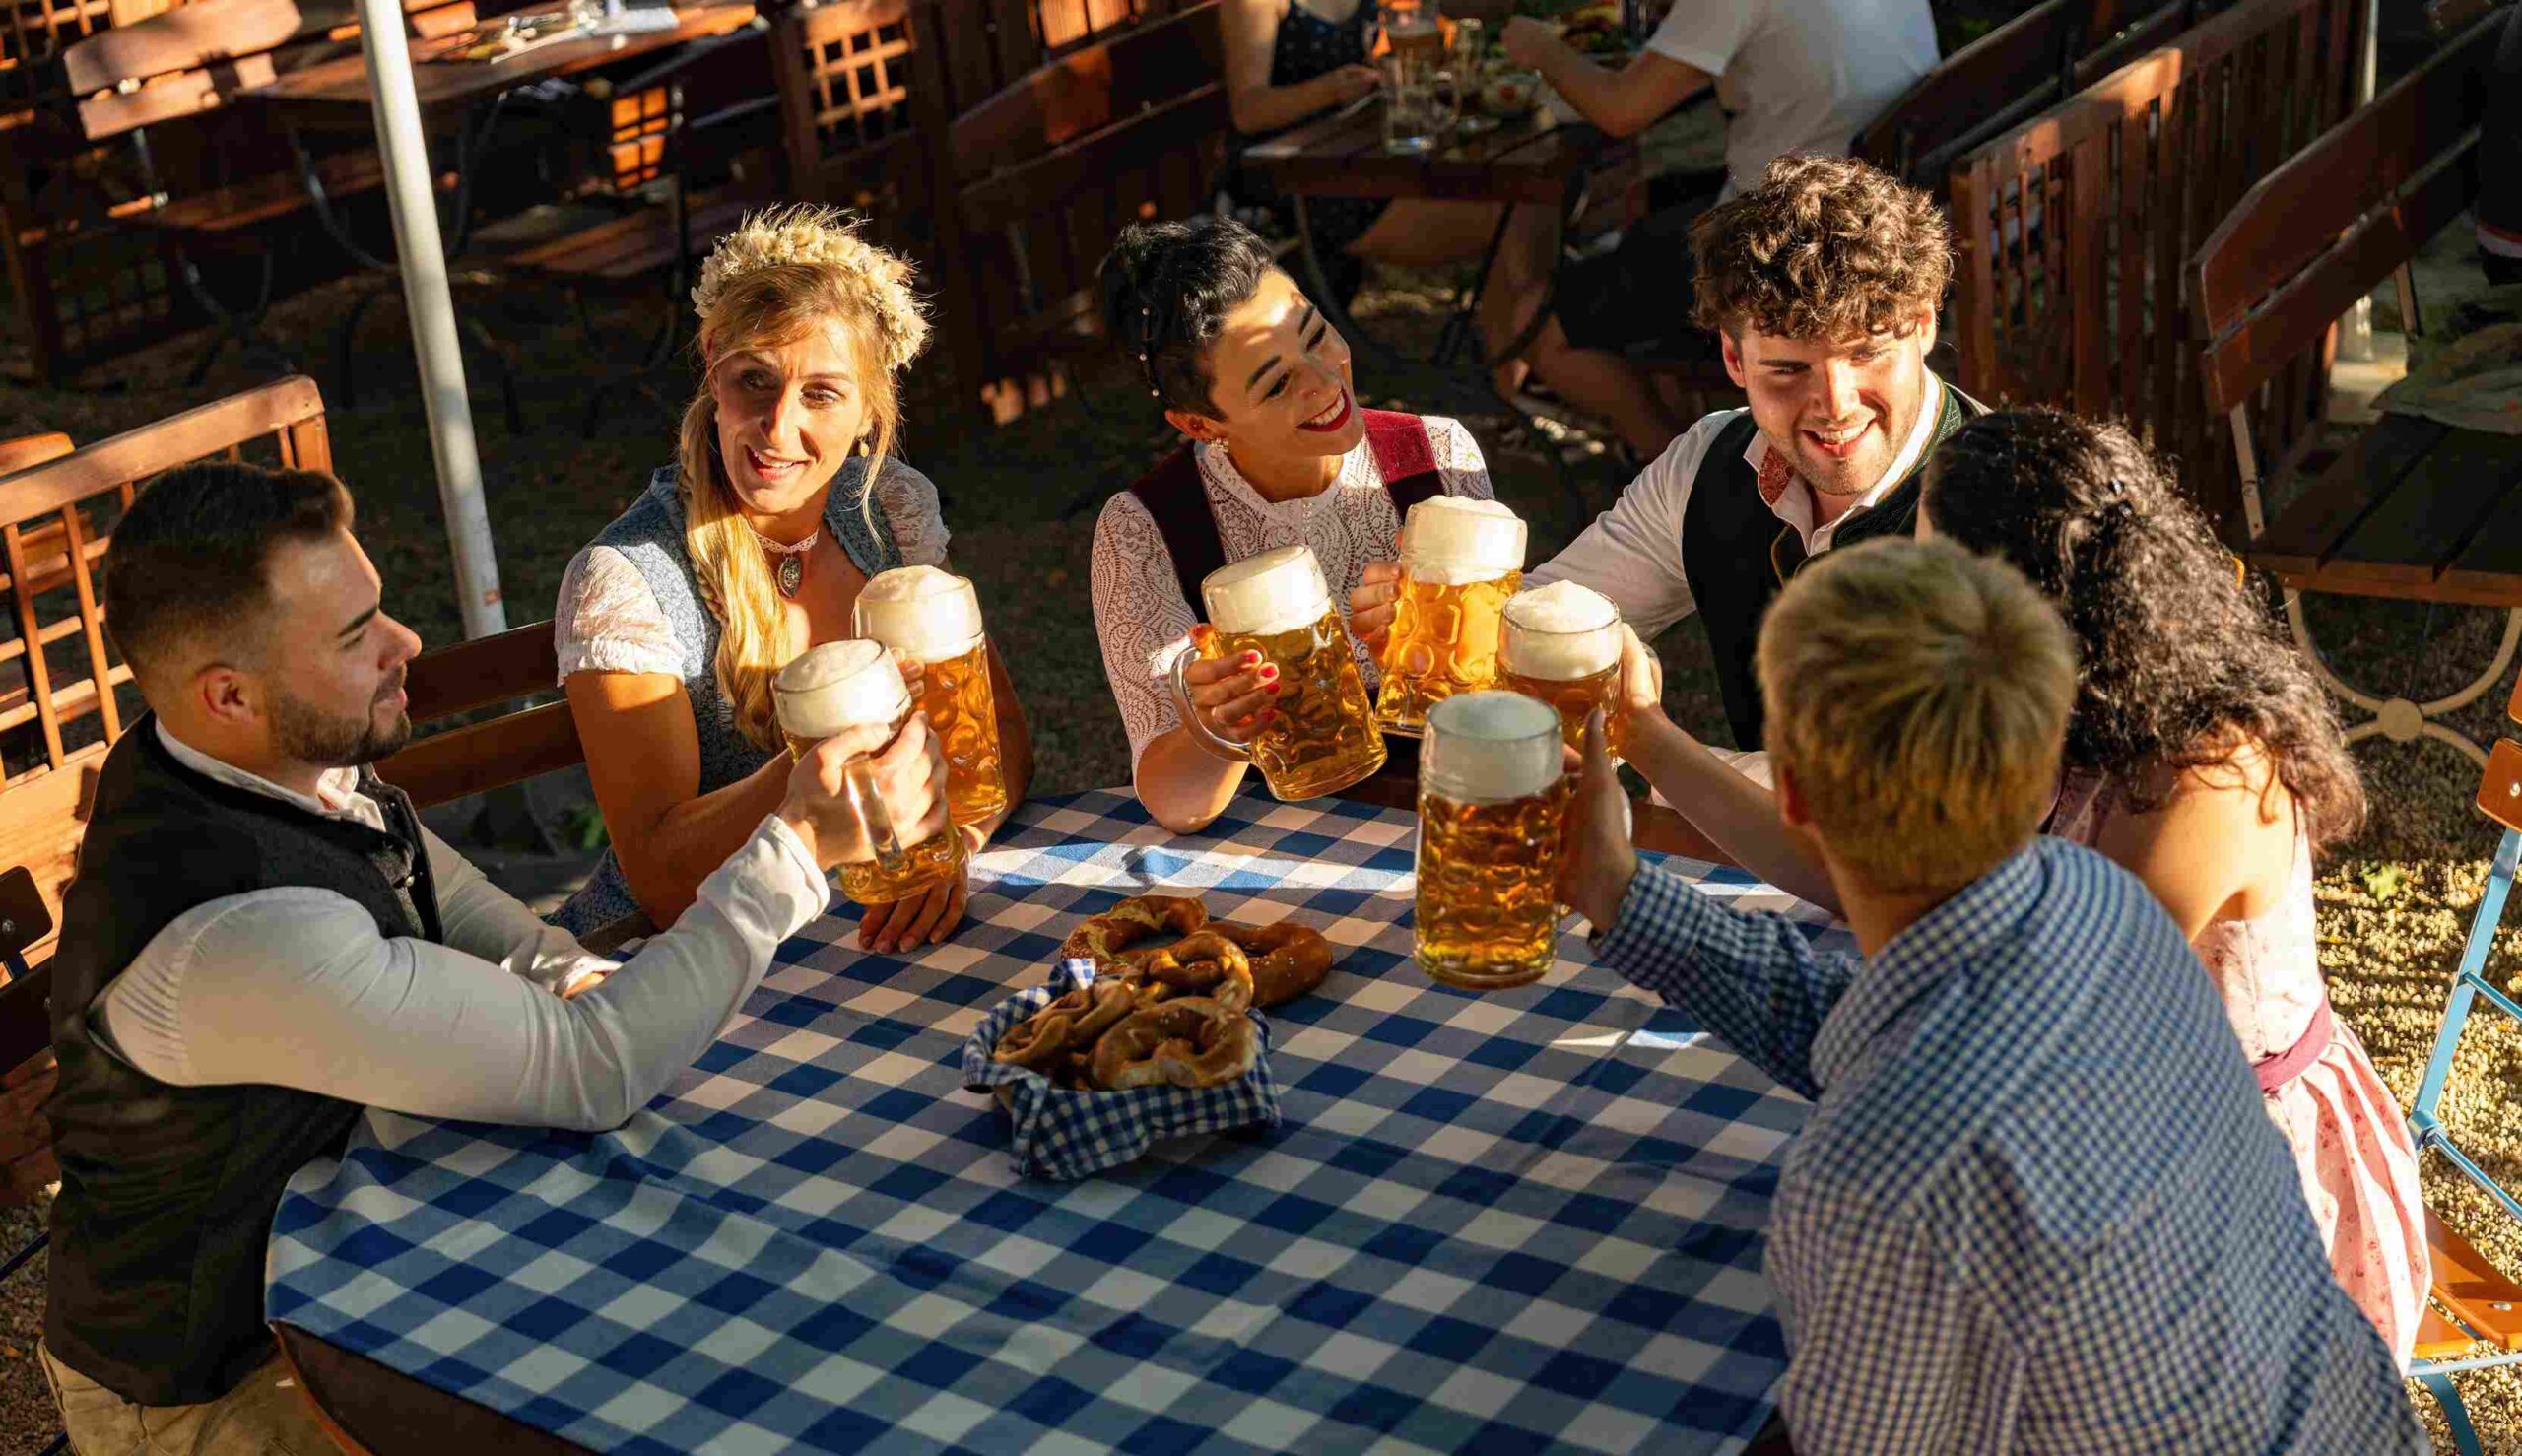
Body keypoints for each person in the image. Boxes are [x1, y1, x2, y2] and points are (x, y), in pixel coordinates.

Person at [38, 461, 952, 1452]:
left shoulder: (258, 755)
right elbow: (593, 1069)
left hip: (363, 1256)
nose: (406, 645)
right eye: (357, 636)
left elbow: (475, 913)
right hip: (217, 1378)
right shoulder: (247, 931)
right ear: (229, 695)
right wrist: (799, 847)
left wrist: (578, 981)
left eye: (378, 608)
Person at [1589, 408, 2431, 1362]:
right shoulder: (2052, 714)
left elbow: (2020, 1038)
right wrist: (1645, 735)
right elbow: (1859, 877)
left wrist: (1638, 905)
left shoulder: (2200, 771)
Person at [1354, 153, 1976, 753]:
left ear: (1924, 325)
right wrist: (1440, 634)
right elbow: (1541, 630)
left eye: (1865, 354)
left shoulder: (1996, 502)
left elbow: (1926, 802)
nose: (1835, 403)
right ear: (1734, 359)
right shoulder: (1709, 463)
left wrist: (1658, 752)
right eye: (1788, 369)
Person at [555, 206, 1031, 953]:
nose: (778, 429)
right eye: (755, 381)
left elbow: (1001, 739)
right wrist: (814, 766)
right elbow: (660, 881)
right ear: (713, 362)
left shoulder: (890, 513)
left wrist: (949, 846)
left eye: (821, 394)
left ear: (872, 409)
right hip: (676, 955)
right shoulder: (625, 580)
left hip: (856, 933)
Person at [1093, 214, 1496, 832]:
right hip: (1266, 852)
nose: (1325, 378)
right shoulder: (1141, 528)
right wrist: (1220, 729)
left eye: (1315, 333)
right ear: (1200, 425)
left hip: (1448, 817)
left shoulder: (1436, 455)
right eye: (1277, 383)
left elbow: (1502, 703)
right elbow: (1177, 805)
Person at [1485, 0, 1937, 457]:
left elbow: (1620, 108)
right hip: (1867, 227)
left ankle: (1678, 471)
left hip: (1777, 254)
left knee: (1539, 320)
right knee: (1643, 217)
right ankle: (1693, 441)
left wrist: (1538, 46)